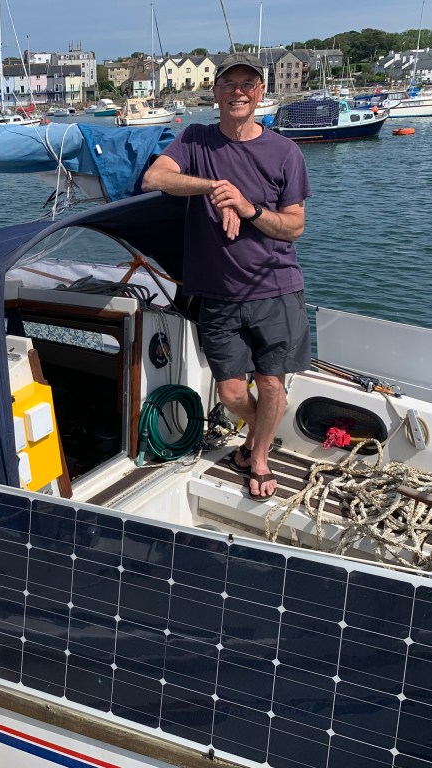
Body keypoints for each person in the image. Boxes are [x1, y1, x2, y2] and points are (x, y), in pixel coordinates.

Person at [141, 51, 312, 500]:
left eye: (247, 84)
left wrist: (249, 209)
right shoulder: (195, 140)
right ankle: (261, 432)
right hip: (217, 292)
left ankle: (259, 457)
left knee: (271, 382)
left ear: (260, 92)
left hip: (275, 288)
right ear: (215, 93)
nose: (238, 92)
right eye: (229, 84)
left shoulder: (285, 152)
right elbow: (155, 179)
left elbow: (294, 226)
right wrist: (216, 188)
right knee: (233, 393)